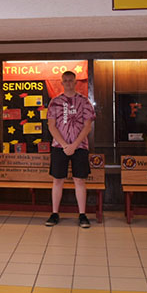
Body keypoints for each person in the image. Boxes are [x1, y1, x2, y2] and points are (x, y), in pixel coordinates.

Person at [45, 71, 96, 228]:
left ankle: (82, 215)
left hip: (79, 146)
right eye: (65, 80)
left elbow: (88, 126)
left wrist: (73, 145)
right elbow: (51, 126)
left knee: (79, 180)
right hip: (59, 147)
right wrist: (65, 145)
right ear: (62, 82)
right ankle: (54, 213)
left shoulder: (84, 101)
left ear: (75, 82)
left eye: (70, 80)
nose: (68, 83)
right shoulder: (55, 102)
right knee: (57, 180)